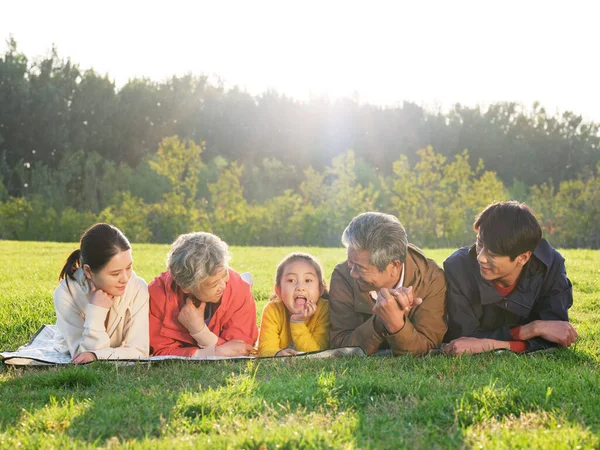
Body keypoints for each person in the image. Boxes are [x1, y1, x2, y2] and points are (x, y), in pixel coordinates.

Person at [443, 201, 577, 355]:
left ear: (523, 258)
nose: (480, 258)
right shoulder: (458, 267)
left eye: (492, 254)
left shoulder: (550, 267)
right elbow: (462, 338)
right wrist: (530, 330)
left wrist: (487, 344)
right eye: (480, 243)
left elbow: (556, 335)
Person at [329, 212, 447, 356]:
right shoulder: (343, 276)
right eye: (350, 262)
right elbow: (339, 345)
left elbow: (428, 347)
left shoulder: (431, 279)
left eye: (360, 267)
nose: (352, 273)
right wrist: (379, 322)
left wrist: (397, 324)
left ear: (394, 266)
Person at [149, 232, 257, 357]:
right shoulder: (157, 294)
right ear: (186, 287)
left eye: (224, 274)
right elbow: (159, 352)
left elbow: (241, 349)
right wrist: (215, 352)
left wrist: (199, 331)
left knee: (237, 285)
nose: (223, 286)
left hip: (238, 295)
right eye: (214, 284)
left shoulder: (238, 288)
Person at [54, 223, 149, 364]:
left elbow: (139, 351)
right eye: (115, 273)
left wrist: (97, 356)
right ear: (88, 271)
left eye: (129, 267)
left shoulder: (138, 287)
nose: (125, 278)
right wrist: (96, 311)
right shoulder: (66, 293)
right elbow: (81, 358)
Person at [258, 252, 330, 357]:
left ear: (320, 289)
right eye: (291, 280)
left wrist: (298, 322)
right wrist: (277, 353)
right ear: (279, 291)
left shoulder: (324, 310)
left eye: (308, 280)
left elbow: (315, 354)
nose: (300, 287)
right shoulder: (273, 310)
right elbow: (265, 349)